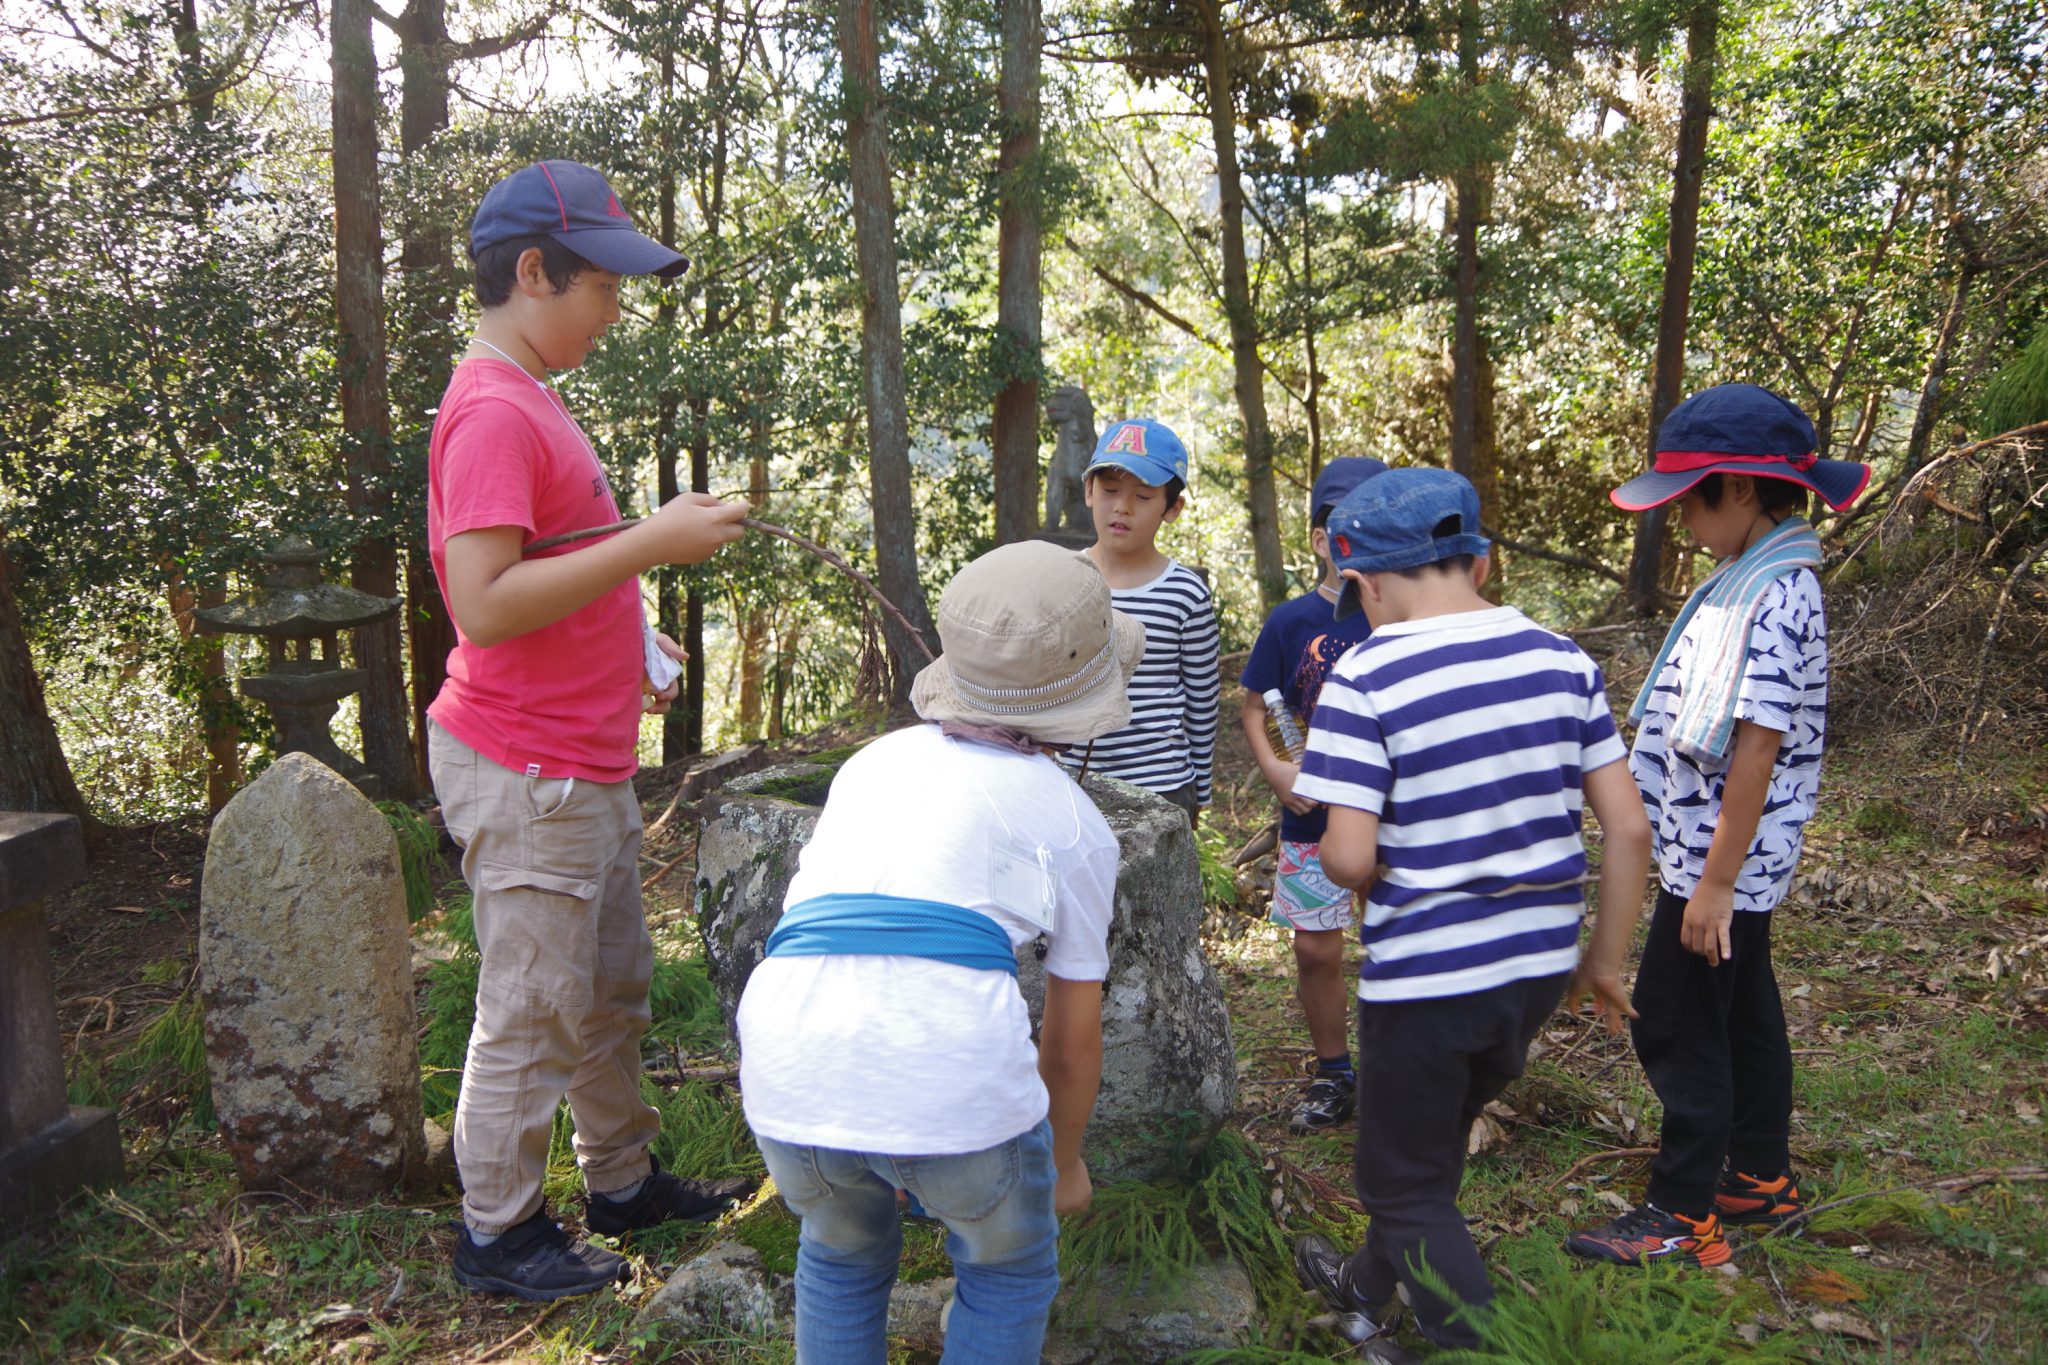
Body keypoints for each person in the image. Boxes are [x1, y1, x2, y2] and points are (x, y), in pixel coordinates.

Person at [426, 160, 756, 1301]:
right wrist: (652, 542)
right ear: (534, 271)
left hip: (579, 756)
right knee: (532, 1007)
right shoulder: (490, 409)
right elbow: (481, 602)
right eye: (602, 285)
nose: (614, 310)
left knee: (608, 988)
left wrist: (629, 640)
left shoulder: (531, 392)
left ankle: (619, 1179)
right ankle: (499, 1230)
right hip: (527, 768)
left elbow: (551, 563)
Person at [736, 540, 1141, 1364]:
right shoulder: (1076, 823)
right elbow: (1072, 1040)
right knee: (1008, 1271)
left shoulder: (873, 763)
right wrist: (1064, 1164)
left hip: (789, 1058)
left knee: (839, 1253)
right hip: (947, 1067)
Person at [1286, 467, 1654, 1356]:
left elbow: (1347, 857)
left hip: (1429, 977)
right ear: (1481, 564)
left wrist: (1360, 858)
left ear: (1364, 583)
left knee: (1401, 1182)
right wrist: (1603, 962)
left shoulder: (1366, 674)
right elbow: (1629, 828)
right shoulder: (1563, 659)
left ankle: (1479, 1345)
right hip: (1534, 969)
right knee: (1432, 1136)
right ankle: (1365, 1288)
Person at [1567, 384, 1869, 1268]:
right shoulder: (1761, 575)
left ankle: (1681, 1208)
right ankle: (1760, 1175)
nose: (1683, 519)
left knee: (1675, 1017)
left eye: (1691, 500)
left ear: (1739, 488)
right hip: (1725, 858)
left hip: (1717, 861)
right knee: (1743, 1008)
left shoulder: (1775, 594)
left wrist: (1715, 885)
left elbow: (1758, 746)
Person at [1239, 456, 1386, 1132]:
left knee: (1392, 934)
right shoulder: (1291, 621)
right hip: (1310, 813)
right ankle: (1334, 1071)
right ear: (1320, 538)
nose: (1354, 542)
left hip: (1390, 812)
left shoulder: (1402, 616)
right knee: (1317, 948)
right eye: (1341, 528)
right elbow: (1254, 705)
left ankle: (1398, 1064)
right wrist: (1276, 769)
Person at [1057, 418, 1220, 826]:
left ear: (1172, 508)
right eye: (1110, 490)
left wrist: (1199, 791)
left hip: (1160, 787)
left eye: (1143, 496)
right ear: (1089, 491)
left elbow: (1202, 700)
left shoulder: (1185, 594)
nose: (1122, 507)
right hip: (1069, 783)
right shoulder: (1061, 580)